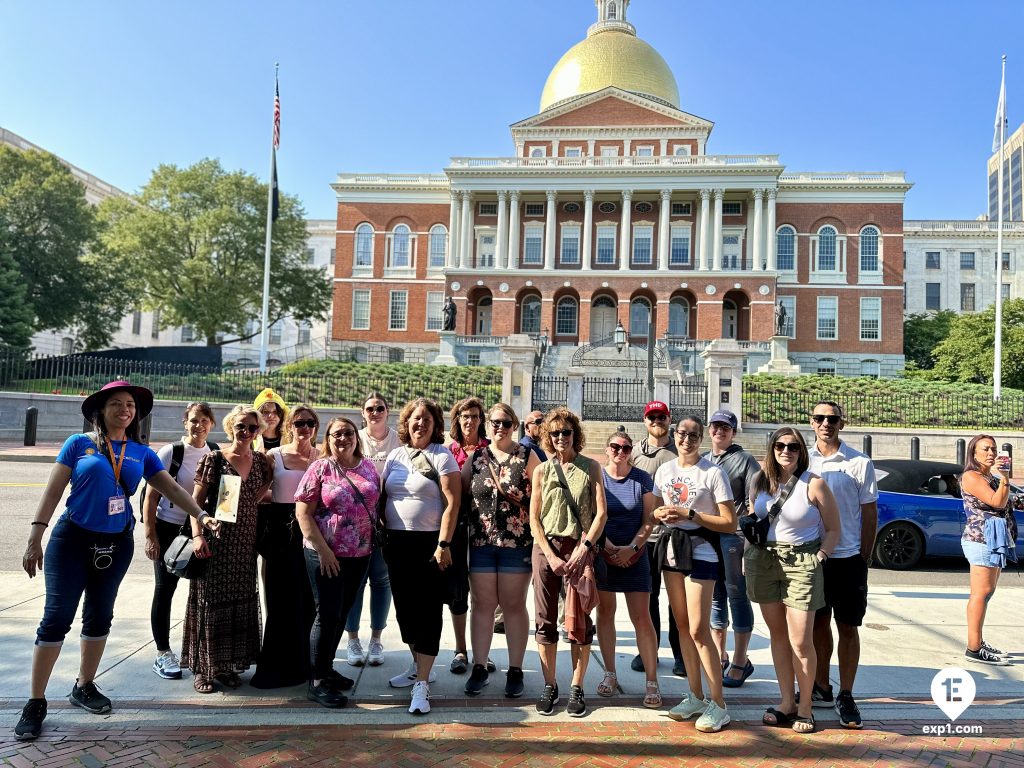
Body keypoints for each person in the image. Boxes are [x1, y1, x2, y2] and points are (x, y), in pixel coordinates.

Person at [16, 381, 220, 741]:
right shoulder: (78, 444)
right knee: (56, 618)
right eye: (116, 403)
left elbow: (172, 489)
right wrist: (36, 537)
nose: (124, 410)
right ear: (101, 409)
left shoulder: (141, 452)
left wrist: (201, 515)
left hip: (116, 543)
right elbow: (52, 491)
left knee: (100, 616)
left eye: (130, 405)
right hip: (72, 540)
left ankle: (84, 685)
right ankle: (35, 702)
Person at [747, 428, 840, 734]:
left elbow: (833, 529)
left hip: (801, 562)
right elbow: (754, 518)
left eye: (793, 447)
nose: (786, 451)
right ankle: (786, 702)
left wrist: (821, 556)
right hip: (765, 560)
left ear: (801, 451)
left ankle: (805, 707)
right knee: (778, 636)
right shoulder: (760, 480)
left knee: (800, 640)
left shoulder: (814, 484)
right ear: (772, 448)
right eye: (780, 445)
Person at [652, 414, 736, 733]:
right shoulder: (665, 470)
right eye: (682, 433)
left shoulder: (713, 472)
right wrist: (660, 513)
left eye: (693, 435)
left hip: (702, 550)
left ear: (701, 439)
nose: (686, 439)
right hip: (673, 548)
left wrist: (691, 514)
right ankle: (696, 696)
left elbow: (730, 522)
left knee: (700, 630)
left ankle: (719, 704)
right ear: (674, 435)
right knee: (683, 627)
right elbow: (654, 510)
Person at [182, 405, 273, 694]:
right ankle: (204, 668)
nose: (246, 432)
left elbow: (259, 492)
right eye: (241, 426)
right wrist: (198, 535)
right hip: (216, 543)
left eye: (252, 428)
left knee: (238, 603)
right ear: (230, 426)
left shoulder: (261, 462)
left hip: (245, 547)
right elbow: (194, 503)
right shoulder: (215, 459)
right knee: (209, 603)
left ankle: (226, 666)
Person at [381, 398, 461, 715]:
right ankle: (418, 666)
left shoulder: (442, 456)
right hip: (396, 543)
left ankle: (423, 684)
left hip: (430, 545)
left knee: (428, 612)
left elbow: (452, 503)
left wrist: (444, 543)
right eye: (416, 418)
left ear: (435, 425)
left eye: (427, 419)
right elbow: (383, 496)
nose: (421, 423)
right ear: (406, 422)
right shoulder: (395, 456)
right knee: (405, 612)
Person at [294, 416, 380, 707]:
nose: (343, 439)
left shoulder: (368, 467)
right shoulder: (320, 468)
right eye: (336, 434)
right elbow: (303, 514)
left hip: (360, 554)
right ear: (328, 439)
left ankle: (327, 667)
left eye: (348, 433)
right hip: (325, 555)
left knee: (342, 613)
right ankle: (317, 681)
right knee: (327, 614)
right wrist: (324, 551)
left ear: (356, 436)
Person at [530, 407, 607, 718]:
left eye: (566, 432)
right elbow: (534, 518)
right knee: (545, 620)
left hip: (579, 547)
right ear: (547, 437)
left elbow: (601, 513)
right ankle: (550, 685)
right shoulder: (541, 471)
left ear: (575, 434)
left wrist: (583, 548)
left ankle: (577, 686)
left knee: (579, 621)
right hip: (546, 548)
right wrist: (550, 554)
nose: (560, 437)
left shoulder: (591, 467)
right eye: (555, 433)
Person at [807, 401, 878, 729]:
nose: (826, 423)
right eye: (820, 418)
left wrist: (865, 556)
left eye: (832, 418)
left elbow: (869, 513)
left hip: (849, 557)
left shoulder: (859, 462)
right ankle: (821, 686)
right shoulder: (804, 460)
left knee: (848, 626)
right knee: (817, 624)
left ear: (841, 423)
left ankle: (846, 693)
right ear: (812, 422)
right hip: (813, 556)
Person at [461, 403, 539, 698]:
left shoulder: (527, 456)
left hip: (516, 543)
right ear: (487, 425)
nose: (500, 427)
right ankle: (479, 666)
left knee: (513, 605)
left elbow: (541, 497)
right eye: (495, 422)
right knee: (482, 604)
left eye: (506, 423)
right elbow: (459, 494)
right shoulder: (476, 458)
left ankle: (515, 669)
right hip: (481, 543)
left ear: (515, 426)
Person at [142, 401, 219, 681]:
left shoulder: (215, 452)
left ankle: (202, 652)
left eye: (204, 420)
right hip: (169, 529)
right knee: (165, 589)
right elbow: (151, 497)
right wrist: (151, 535)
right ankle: (163, 652)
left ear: (212, 424)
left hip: (201, 530)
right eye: (194, 420)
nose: (199, 426)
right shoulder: (171, 452)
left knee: (204, 593)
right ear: (185, 422)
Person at [250, 405, 319, 689]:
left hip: (312, 529)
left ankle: (304, 664)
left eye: (310, 423)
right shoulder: (274, 455)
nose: (305, 428)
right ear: (289, 426)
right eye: (299, 423)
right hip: (281, 531)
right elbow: (257, 492)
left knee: (308, 600)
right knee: (280, 600)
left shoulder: (322, 456)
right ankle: (277, 666)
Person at [593, 431, 660, 708]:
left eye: (626, 448)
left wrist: (631, 548)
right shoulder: (598, 477)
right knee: (605, 613)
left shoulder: (642, 479)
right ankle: (610, 673)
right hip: (604, 554)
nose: (620, 452)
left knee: (642, 617)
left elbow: (649, 520)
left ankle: (652, 681)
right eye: (615, 447)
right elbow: (592, 515)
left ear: (631, 451)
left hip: (636, 555)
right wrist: (608, 546)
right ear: (607, 449)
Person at [703, 409, 760, 689]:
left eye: (725, 427)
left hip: (734, 537)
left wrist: (749, 544)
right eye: (715, 426)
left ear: (733, 432)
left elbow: (754, 504)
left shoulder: (745, 460)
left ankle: (740, 660)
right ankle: (719, 655)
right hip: (708, 535)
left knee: (737, 596)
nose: (719, 431)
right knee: (715, 597)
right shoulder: (704, 459)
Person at [630, 400, 683, 677]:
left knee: (677, 599)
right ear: (645, 420)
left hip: (674, 536)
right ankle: (648, 649)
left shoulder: (679, 450)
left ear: (669, 419)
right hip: (647, 536)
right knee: (648, 596)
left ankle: (681, 653)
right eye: (652, 417)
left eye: (661, 416)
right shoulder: (635, 452)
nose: (657, 421)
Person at [346, 392, 398, 667]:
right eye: (370, 408)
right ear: (362, 412)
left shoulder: (398, 440)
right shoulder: (354, 438)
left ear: (388, 411)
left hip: (385, 521)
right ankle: (352, 639)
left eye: (380, 408)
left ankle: (376, 639)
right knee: (355, 583)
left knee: (381, 580)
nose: (375, 412)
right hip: (355, 521)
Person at [959, 434, 1017, 666]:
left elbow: (1004, 503)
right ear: (973, 453)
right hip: (981, 539)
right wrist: (1006, 477)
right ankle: (973, 648)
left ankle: (978, 641)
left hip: (993, 539)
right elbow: (996, 502)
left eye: (993, 449)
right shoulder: (971, 476)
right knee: (980, 594)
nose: (991, 453)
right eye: (986, 449)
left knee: (987, 592)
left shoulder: (988, 476)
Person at [445, 397, 490, 675]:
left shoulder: (490, 450)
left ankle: (483, 652)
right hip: (458, 527)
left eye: (474, 416)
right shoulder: (448, 451)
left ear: (481, 420)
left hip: (486, 528)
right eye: (464, 416)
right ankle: (460, 649)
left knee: (485, 594)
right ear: (457, 420)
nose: (469, 421)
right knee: (459, 591)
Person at [253, 388, 288, 452]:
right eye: (266, 412)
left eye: (275, 412)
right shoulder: (250, 437)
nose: (271, 416)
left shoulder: (290, 438)